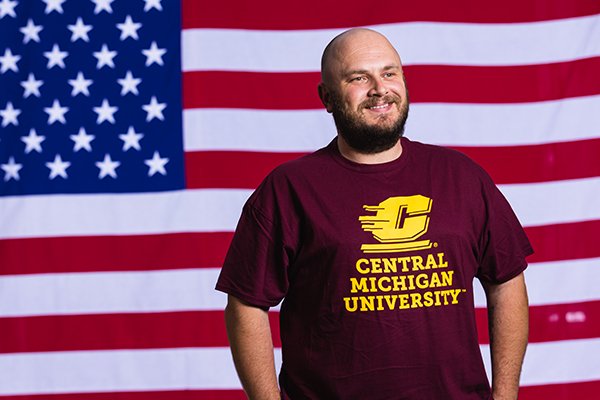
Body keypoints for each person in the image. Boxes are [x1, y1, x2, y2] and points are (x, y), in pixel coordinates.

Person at [216, 28, 532, 400]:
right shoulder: (289, 189)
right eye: (359, 78)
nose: (379, 88)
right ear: (327, 98)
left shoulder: (461, 176)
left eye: (389, 73)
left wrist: (505, 394)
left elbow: (506, 281)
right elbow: (246, 304)